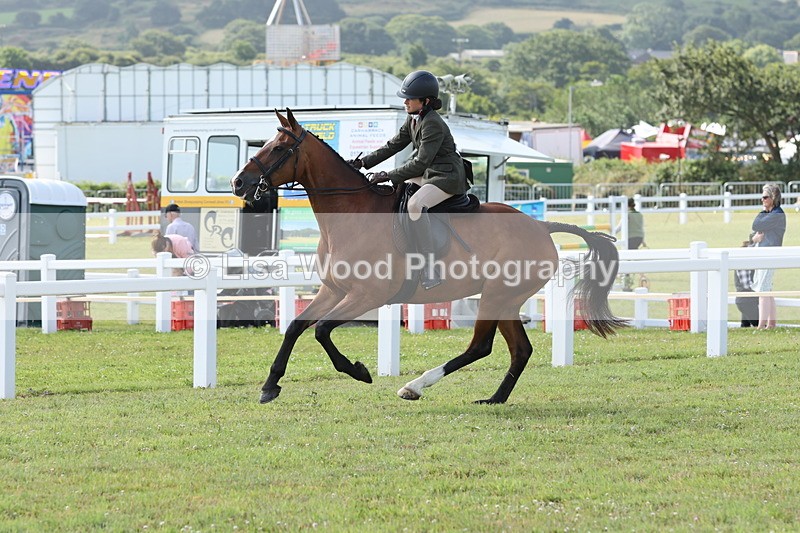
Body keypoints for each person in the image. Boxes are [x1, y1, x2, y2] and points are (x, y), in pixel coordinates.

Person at [348, 70, 469, 289]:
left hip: (446, 176)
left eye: (409, 98)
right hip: (429, 173)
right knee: (398, 193)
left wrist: (387, 175)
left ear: (426, 101)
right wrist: (362, 163)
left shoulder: (432, 123)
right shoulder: (413, 118)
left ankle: (430, 265)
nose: (405, 101)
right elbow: (393, 145)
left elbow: (420, 163)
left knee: (415, 204)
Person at [751, 183, 786, 329]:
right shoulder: (769, 213)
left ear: (773, 197)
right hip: (764, 253)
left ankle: (761, 326)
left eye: (765, 197)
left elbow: (756, 225)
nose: (762, 200)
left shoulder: (777, 214)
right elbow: (756, 224)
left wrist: (757, 235)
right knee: (767, 289)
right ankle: (771, 324)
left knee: (763, 290)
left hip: (770, 254)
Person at [616, 197, 646, 291]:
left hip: (631, 238)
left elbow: (619, 227)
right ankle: (639, 276)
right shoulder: (639, 214)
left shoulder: (627, 215)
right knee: (633, 257)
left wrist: (611, 234)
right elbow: (640, 227)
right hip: (639, 238)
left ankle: (627, 282)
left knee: (627, 258)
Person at [733, 238, 758, 328]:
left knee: (745, 326)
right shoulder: (744, 265)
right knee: (759, 325)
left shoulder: (740, 264)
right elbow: (746, 285)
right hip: (748, 301)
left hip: (744, 300)